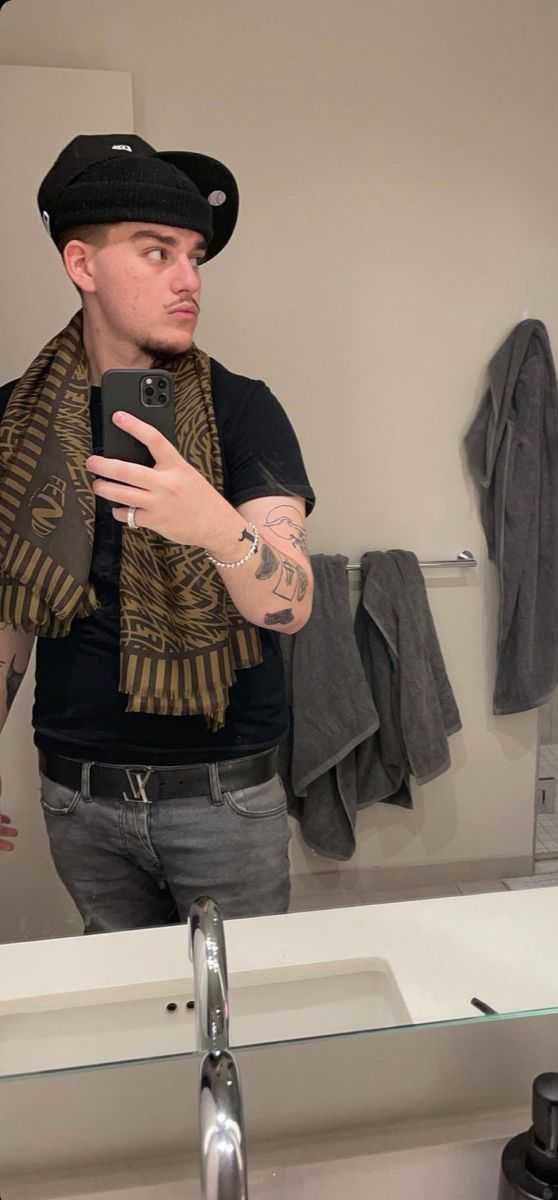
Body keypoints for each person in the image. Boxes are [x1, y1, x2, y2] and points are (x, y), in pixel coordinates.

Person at [0, 134, 315, 932]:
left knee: (234, 1000)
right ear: (82, 264)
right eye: (157, 252)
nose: (189, 280)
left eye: (194, 257)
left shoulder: (243, 408)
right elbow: (10, 611)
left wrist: (213, 525)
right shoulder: (13, 421)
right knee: (127, 1004)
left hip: (224, 796)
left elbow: (291, 604)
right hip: (77, 796)